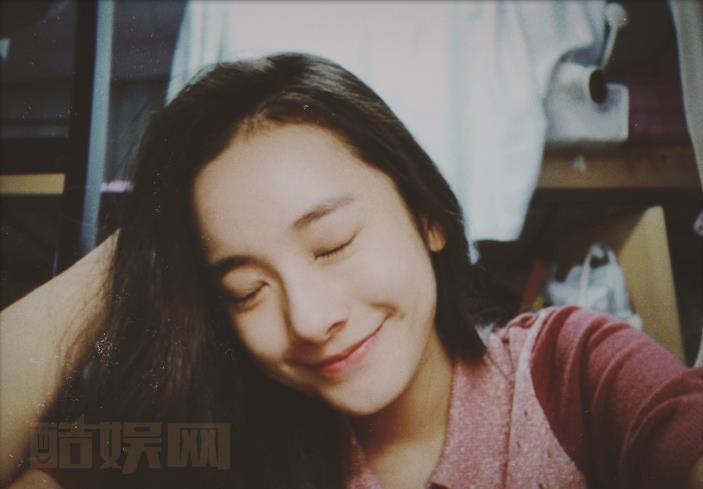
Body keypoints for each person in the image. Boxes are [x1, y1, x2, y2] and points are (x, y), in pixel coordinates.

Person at [1, 53, 701, 489]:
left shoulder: (569, 374)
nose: (309, 319)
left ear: (426, 214)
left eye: (333, 244)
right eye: (246, 290)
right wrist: (142, 253)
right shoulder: (224, 435)